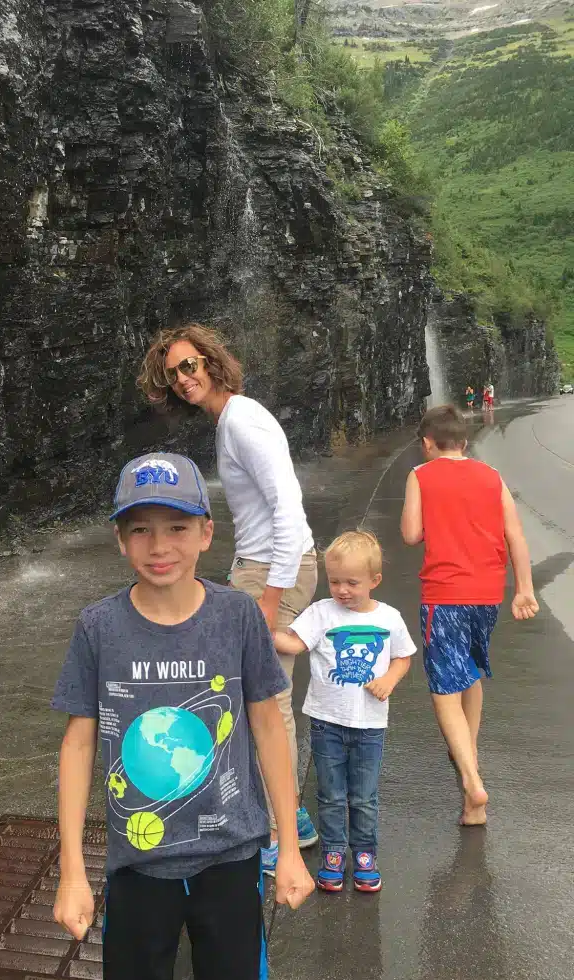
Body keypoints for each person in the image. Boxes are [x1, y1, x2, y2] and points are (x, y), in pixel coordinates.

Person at [52, 452, 314, 980]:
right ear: (120, 540)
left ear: (206, 533)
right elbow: (77, 745)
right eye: (140, 529)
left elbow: (269, 726)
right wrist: (73, 872)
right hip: (138, 867)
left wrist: (288, 848)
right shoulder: (99, 627)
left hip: (232, 858)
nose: (159, 546)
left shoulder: (238, 616)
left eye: (176, 527)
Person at [137, 325, 319, 874]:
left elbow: (289, 507)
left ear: (213, 362)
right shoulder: (230, 421)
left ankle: (280, 831)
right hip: (261, 567)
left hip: (274, 571)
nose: (184, 379)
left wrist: (269, 597)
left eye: (190, 366)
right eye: (173, 373)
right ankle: (289, 819)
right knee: (255, 696)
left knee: (266, 700)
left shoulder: (243, 419)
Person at [400, 405, 538, 826]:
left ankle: (471, 780)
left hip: (445, 594)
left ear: (427, 443)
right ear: (463, 440)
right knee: (472, 670)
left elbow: (410, 534)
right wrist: (525, 590)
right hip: (488, 595)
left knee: (444, 688)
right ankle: (470, 752)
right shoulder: (491, 476)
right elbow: (514, 534)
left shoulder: (421, 475)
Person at [273, 531, 416, 893]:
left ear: (374, 581)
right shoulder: (321, 613)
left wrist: (389, 679)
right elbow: (295, 643)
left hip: (370, 726)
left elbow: (404, 656)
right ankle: (334, 853)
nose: (342, 590)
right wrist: (260, 628)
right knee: (331, 794)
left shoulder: (389, 618)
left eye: (352, 582)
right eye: (335, 581)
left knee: (364, 796)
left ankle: (365, 852)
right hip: (326, 723)